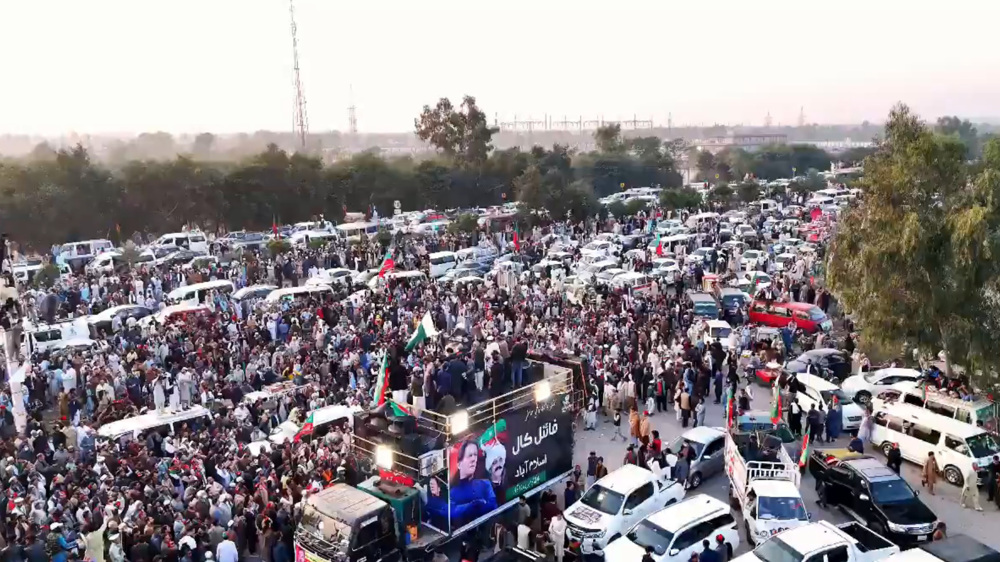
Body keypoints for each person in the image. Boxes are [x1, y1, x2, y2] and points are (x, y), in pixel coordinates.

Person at [426, 438, 499, 527]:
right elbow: (451, 512)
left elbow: (493, 506)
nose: (473, 459)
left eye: (475, 455)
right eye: (469, 455)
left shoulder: (485, 484)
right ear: (459, 464)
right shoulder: (451, 492)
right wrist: (472, 506)